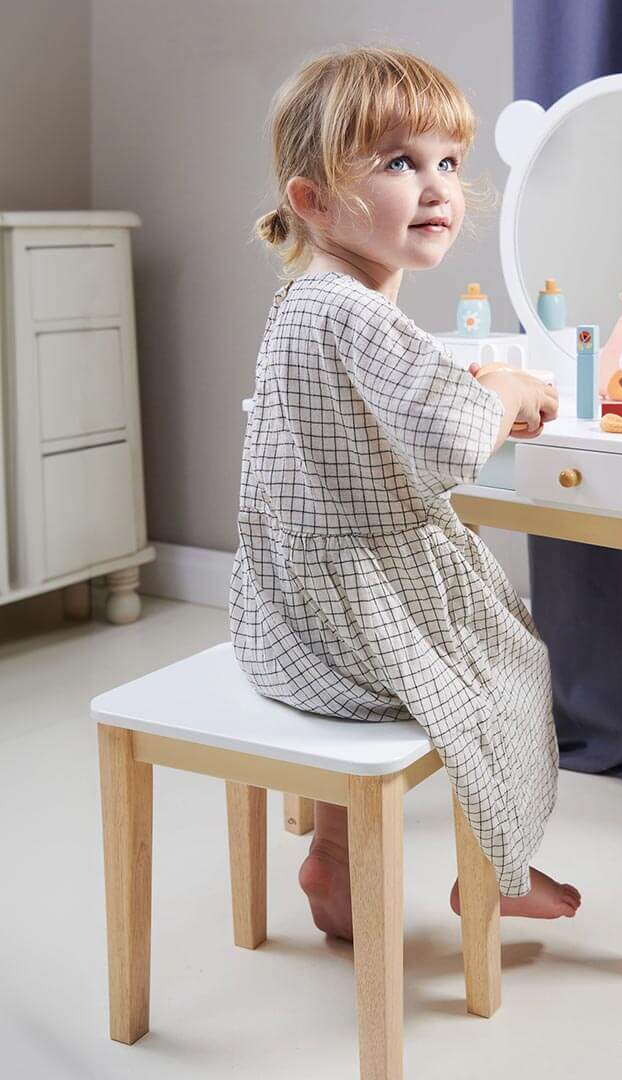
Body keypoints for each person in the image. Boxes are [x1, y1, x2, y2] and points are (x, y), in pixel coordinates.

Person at [230, 45, 580, 941]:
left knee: (466, 647)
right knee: (507, 662)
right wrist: (501, 393)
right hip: (348, 627)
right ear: (310, 200)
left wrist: (465, 385)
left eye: (448, 163)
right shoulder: (357, 309)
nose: (436, 188)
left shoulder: (306, 300)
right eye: (398, 162)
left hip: (279, 615)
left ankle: (336, 857)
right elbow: (457, 443)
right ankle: (497, 871)